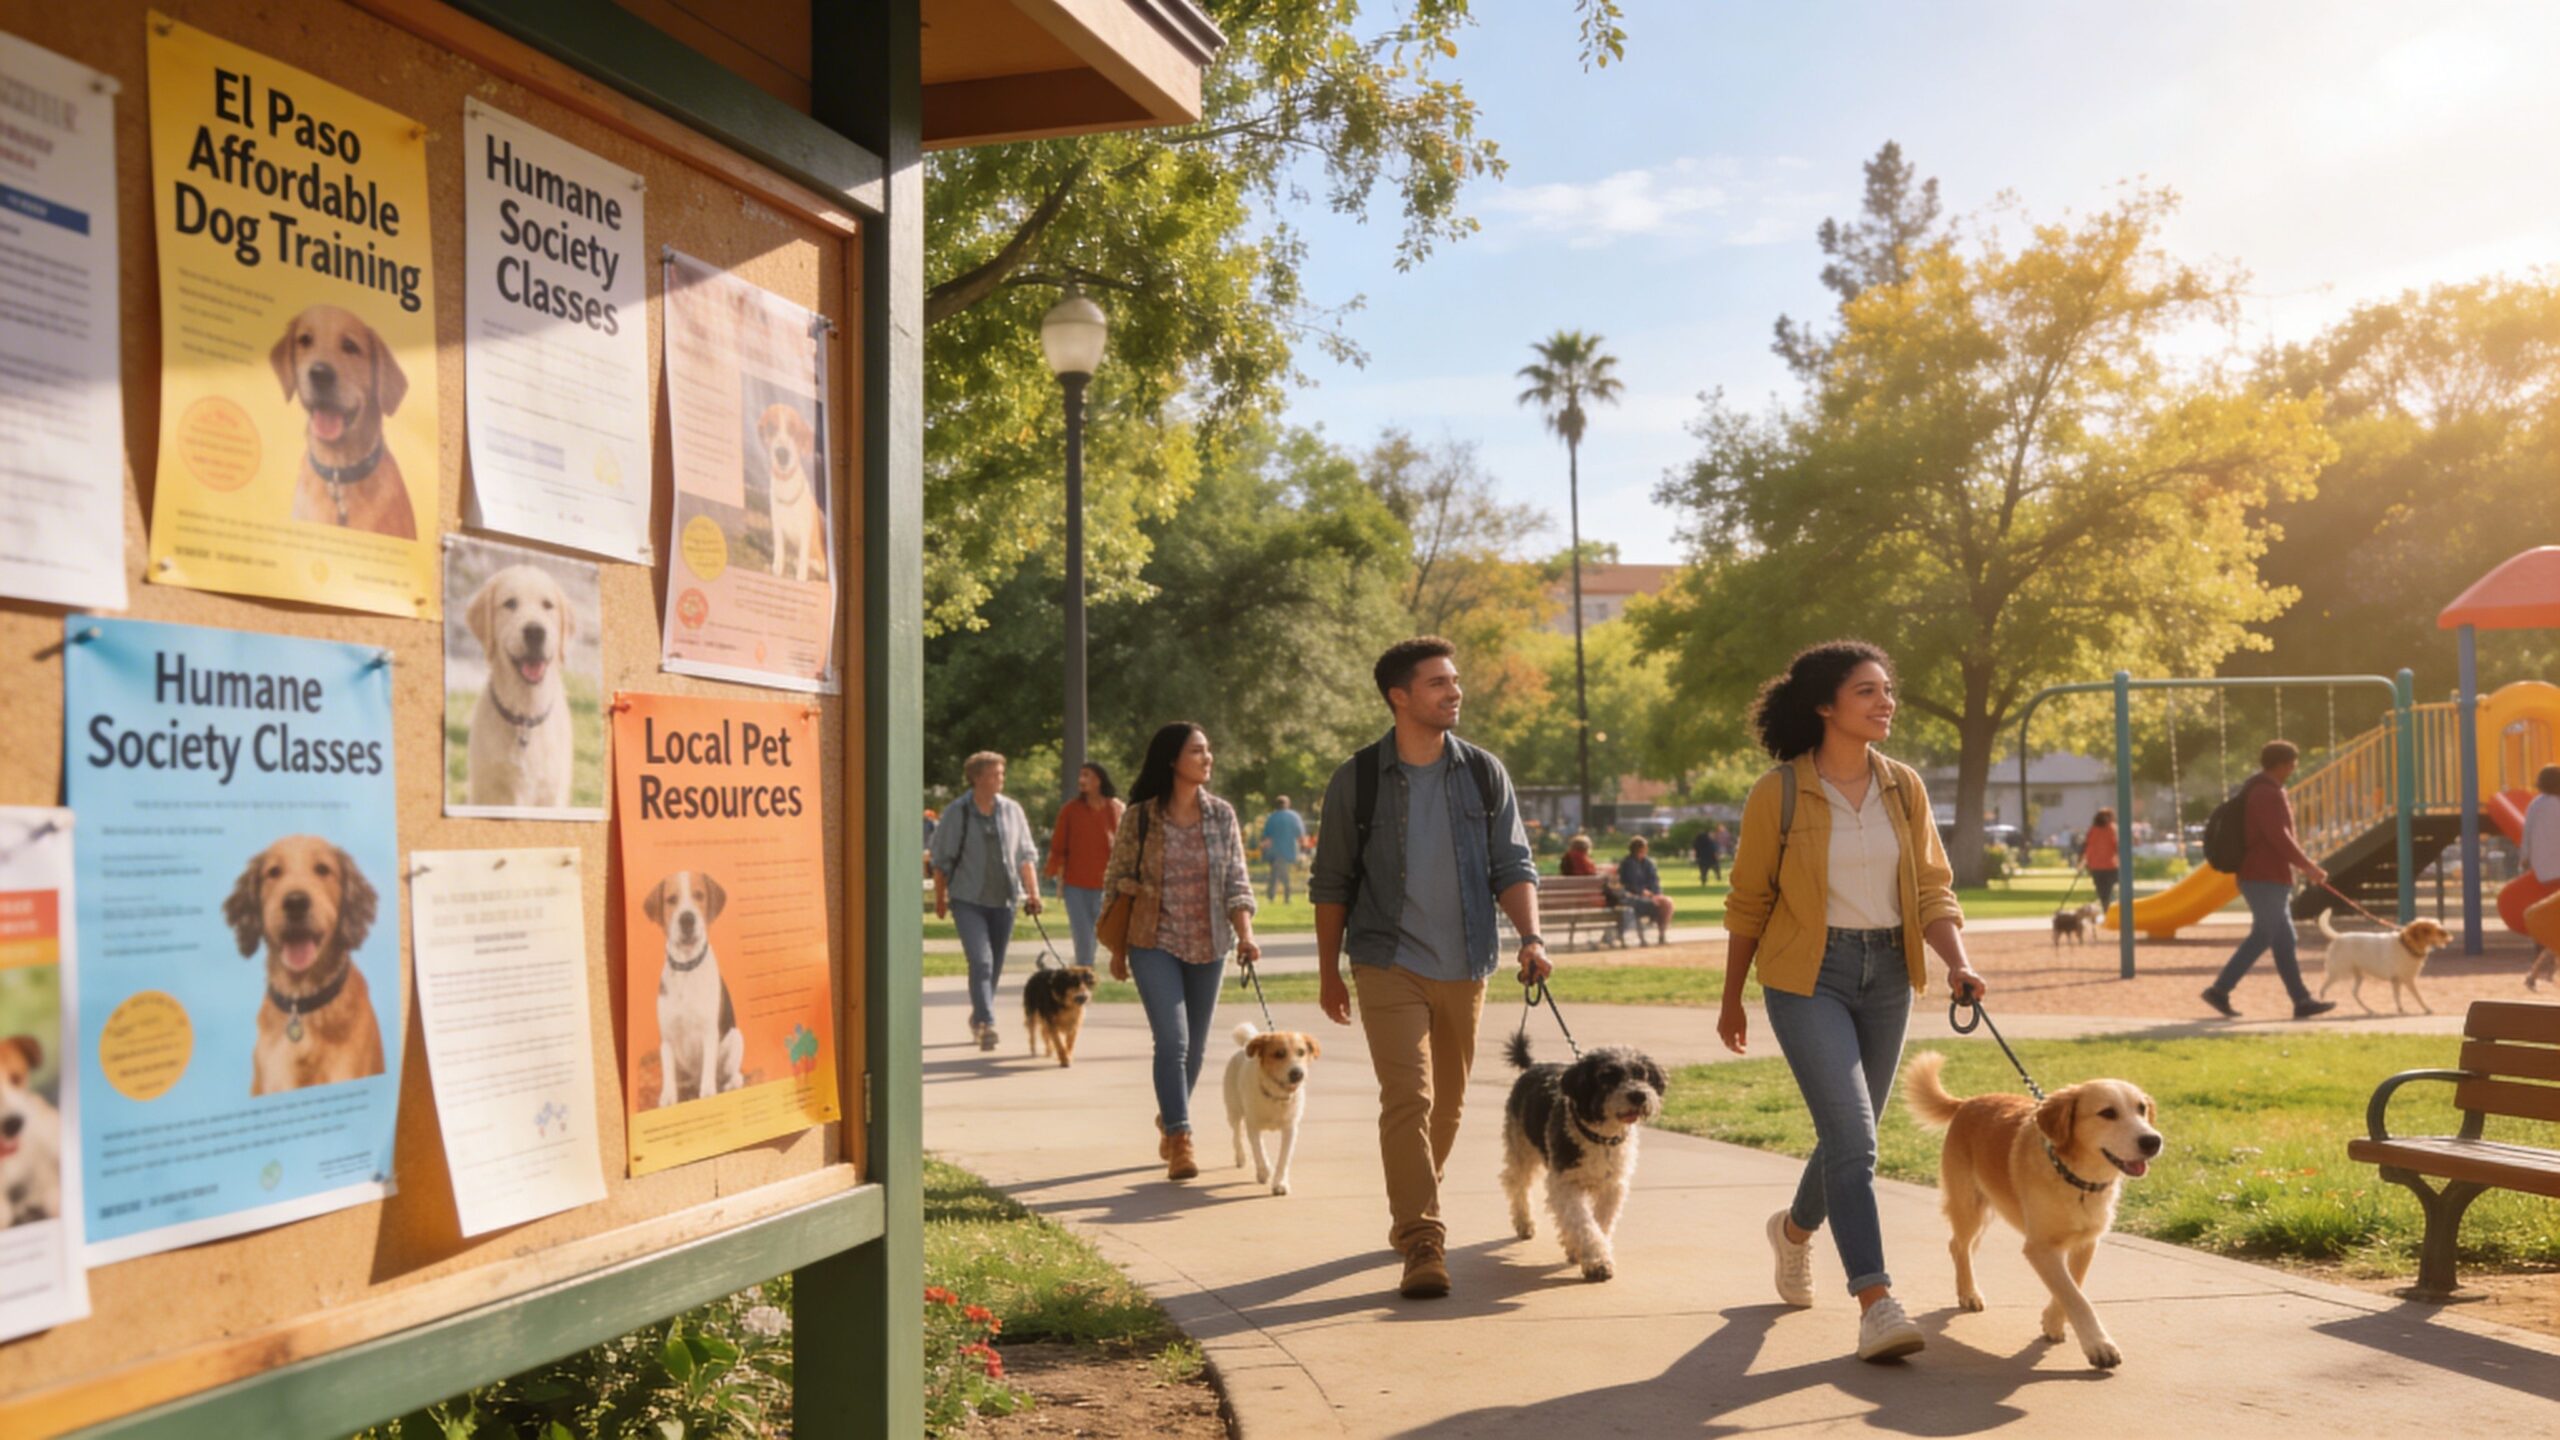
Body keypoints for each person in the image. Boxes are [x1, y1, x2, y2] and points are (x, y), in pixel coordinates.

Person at [1715, 640, 1985, 1363]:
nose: (1886, 702)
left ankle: (1794, 1232)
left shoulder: (1904, 786)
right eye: (1868, 691)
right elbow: (1749, 902)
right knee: (1857, 1139)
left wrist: (1958, 962)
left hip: (1889, 975)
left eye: (1887, 689)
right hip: (1808, 977)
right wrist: (1731, 998)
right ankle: (1875, 1300)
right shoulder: (1778, 793)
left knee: (1848, 1137)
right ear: (1826, 706)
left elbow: (1932, 886)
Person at [1310, 636, 1546, 1300]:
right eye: (1439, 683)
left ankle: (1418, 1206)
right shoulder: (1356, 780)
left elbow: (1513, 864)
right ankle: (1421, 1239)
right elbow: (1331, 882)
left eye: (1455, 680)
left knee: (1446, 1107)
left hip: (1467, 961)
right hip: (1387, 959)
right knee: (1408, 1098)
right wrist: (1329, 971)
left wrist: (1531, 936)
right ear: (1400, 696)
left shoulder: (1481, 772)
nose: (1455, 691)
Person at [1102, 723, 1260, 1182]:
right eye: (1198, 751)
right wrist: (1117, 947)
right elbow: (1115, 881)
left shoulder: (1222, 815)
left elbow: (1237, 881)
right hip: (1154, 940)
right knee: (1173, 1041)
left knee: (1195, 1049)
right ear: (1173, 759)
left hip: (1210, 941)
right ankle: (1181, 1137)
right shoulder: (1141, 817)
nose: (1207, 758)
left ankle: (1170, 1118)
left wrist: (1245, 934)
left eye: (1209, 750)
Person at [2200, 741, 2337, 1020]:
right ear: (2283, 764)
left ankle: (2299, 1000)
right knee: (2273, 936)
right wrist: (2307, 866)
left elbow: (2278, 835)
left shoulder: (2262, 790)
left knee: (2276, 938)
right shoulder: (2266, 793)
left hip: (2267, 876)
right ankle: (2224, 990)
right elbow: (2278, 836)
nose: (2294, 768)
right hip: (2263, 876)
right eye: (2292, 763)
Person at [930, 753, 1045, 1050]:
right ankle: (987, 1022)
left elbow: (1026, 856)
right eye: (995, 774)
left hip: (1004, 900)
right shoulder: (958, 811)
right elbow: (940, 860)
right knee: (981, 961)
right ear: (977, 777)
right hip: (968, 899)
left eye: (1001, 773)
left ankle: (979, 1015)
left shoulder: (1012, 811)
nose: (1000, 778)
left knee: (993, 966)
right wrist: (940, 899)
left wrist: (1033, 893)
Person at [1045, 763, 1125, 970]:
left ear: (1099, 780)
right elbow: (1059, 847)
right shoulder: (1070, 810)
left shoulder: (1114, 808)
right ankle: (1084, 976)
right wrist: (1061, 881)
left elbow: (1124, 848)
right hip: (1076, 886)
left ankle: (1090, 970)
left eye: (1086, 776)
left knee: (1102, 934)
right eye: (1080, 776)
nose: (1081, 780)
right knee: (1083, 937)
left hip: (1106, 886)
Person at [2523, 764, 2560, 990]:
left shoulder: (2535, 805)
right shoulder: (2558, 806)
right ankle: (2539, 972)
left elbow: (2526, 835)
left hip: (2541, 872)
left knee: (2551, 923)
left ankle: (2538, 972)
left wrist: (2526, 861)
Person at [1617, 836, 1674, 945]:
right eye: (1641, 850)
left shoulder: (1648, 863)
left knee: (1667, 902)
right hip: (1633, 897)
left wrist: (1655, 893)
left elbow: (1654, 880)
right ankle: (1661, 934)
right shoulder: (1628, 863)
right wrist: (1644, 892)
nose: (1643, 852)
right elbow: (1629, 884)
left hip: (1649, 896)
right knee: (1665, 904)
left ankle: (1661, 934)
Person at [1261, 795, 1308, 903]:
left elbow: (1267, 838)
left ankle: (1276, 896)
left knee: (1277, 874)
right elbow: (1300, 835)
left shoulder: (1272, 817)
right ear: (1287, 804)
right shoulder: (1294, 817)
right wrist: (1304, 849)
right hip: (1289, 851)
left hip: (1274, 852)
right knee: (1280, 873)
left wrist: (1263, 850)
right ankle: (1281, 896)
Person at [2082, 808, 2121, 915]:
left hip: (2096, 867)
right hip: (2110, 865)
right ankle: (2113, 912)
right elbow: (2117, 846)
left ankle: (2107, 912)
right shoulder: (2112, 829)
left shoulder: (2092, 830)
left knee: (2102, 893)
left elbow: (2088, 847)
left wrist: (2086, 863)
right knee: (2112, 890)